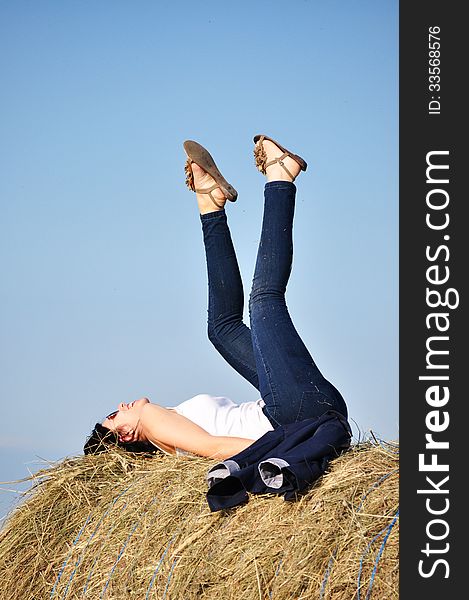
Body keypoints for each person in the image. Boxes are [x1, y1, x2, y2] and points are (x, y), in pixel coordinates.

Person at [84, 135, 348, 459]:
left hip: (301, 407)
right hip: (295, 415)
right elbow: (216, 447)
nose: (121, 406)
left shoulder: (169, 435)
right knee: (264, 300)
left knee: (221, 329)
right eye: (114, 416)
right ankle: (281, 175)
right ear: (124, 436)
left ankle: (209, 203)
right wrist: (289, 449)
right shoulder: (152, 423)